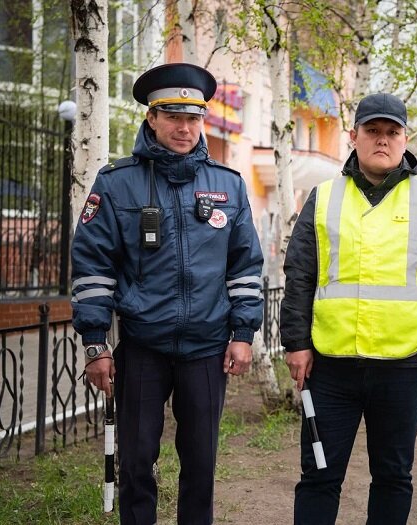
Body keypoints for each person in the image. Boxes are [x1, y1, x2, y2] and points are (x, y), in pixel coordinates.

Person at [71, 63, 264, 525]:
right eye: (173, 116)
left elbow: (245, 266)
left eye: (193, 117)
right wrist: (96, 343)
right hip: (142, 348)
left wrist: (243, 332)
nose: (184, 127)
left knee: (201, 464)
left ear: (203, 121)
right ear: (152, 118)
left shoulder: (229, 185)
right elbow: (93, 266)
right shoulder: (116, 184)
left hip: (206, 349)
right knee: (136, 463)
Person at [280, 92, 417, 525]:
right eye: (372, 131)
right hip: (330, 366)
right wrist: (295, 342)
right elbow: (300, 276)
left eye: (392, 132)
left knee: (392, 475)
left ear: (405, 139)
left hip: (401, 364)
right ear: (354, 137)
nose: (381, 140)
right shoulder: (324, 196)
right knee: (319, 476)